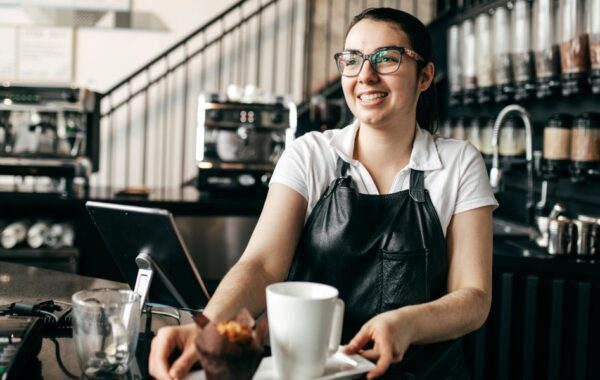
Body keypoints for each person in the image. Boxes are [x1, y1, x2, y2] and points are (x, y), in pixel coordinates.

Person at [149, 7, 497, 380]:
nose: (365, 75)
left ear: (424, 76)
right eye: (353, 60)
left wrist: (407, 323)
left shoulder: (459, 164)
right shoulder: (309, 154)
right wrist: (206, 329)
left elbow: (474, 296)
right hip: (309, 372)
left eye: (387, 59)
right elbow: (262, 264)